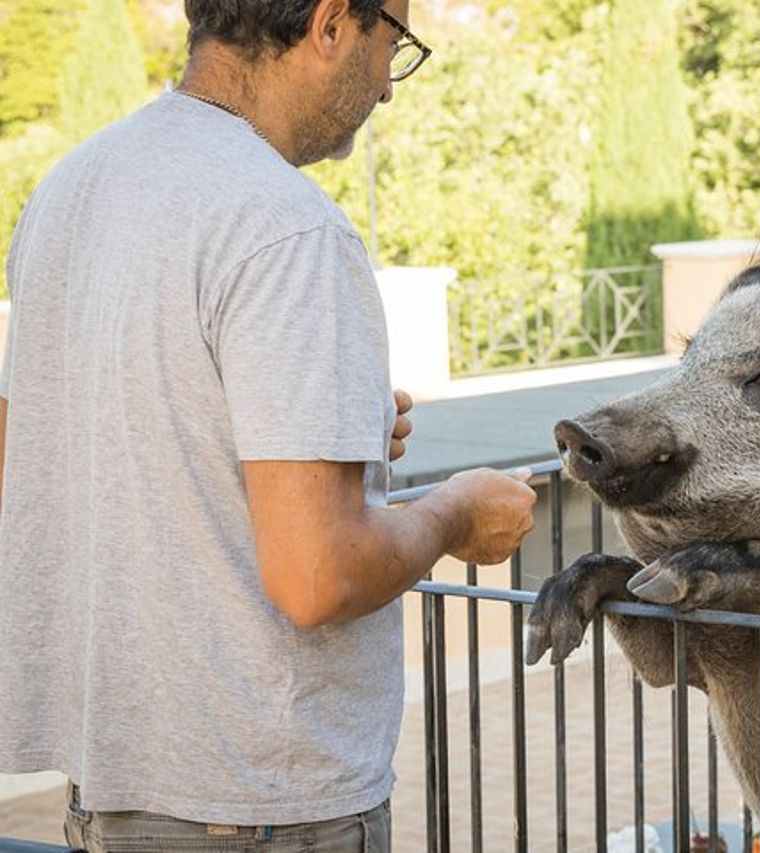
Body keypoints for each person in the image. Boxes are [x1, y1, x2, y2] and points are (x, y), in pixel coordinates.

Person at [0, 1, 537, 850]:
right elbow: (316, 576)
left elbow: (34, 461)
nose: (387, 91)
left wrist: (315, 420)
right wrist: (453, 514)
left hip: (109, 794)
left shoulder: (67, 193)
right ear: (330, 24)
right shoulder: (288, 227)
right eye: (392, 43)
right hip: (260, 806)